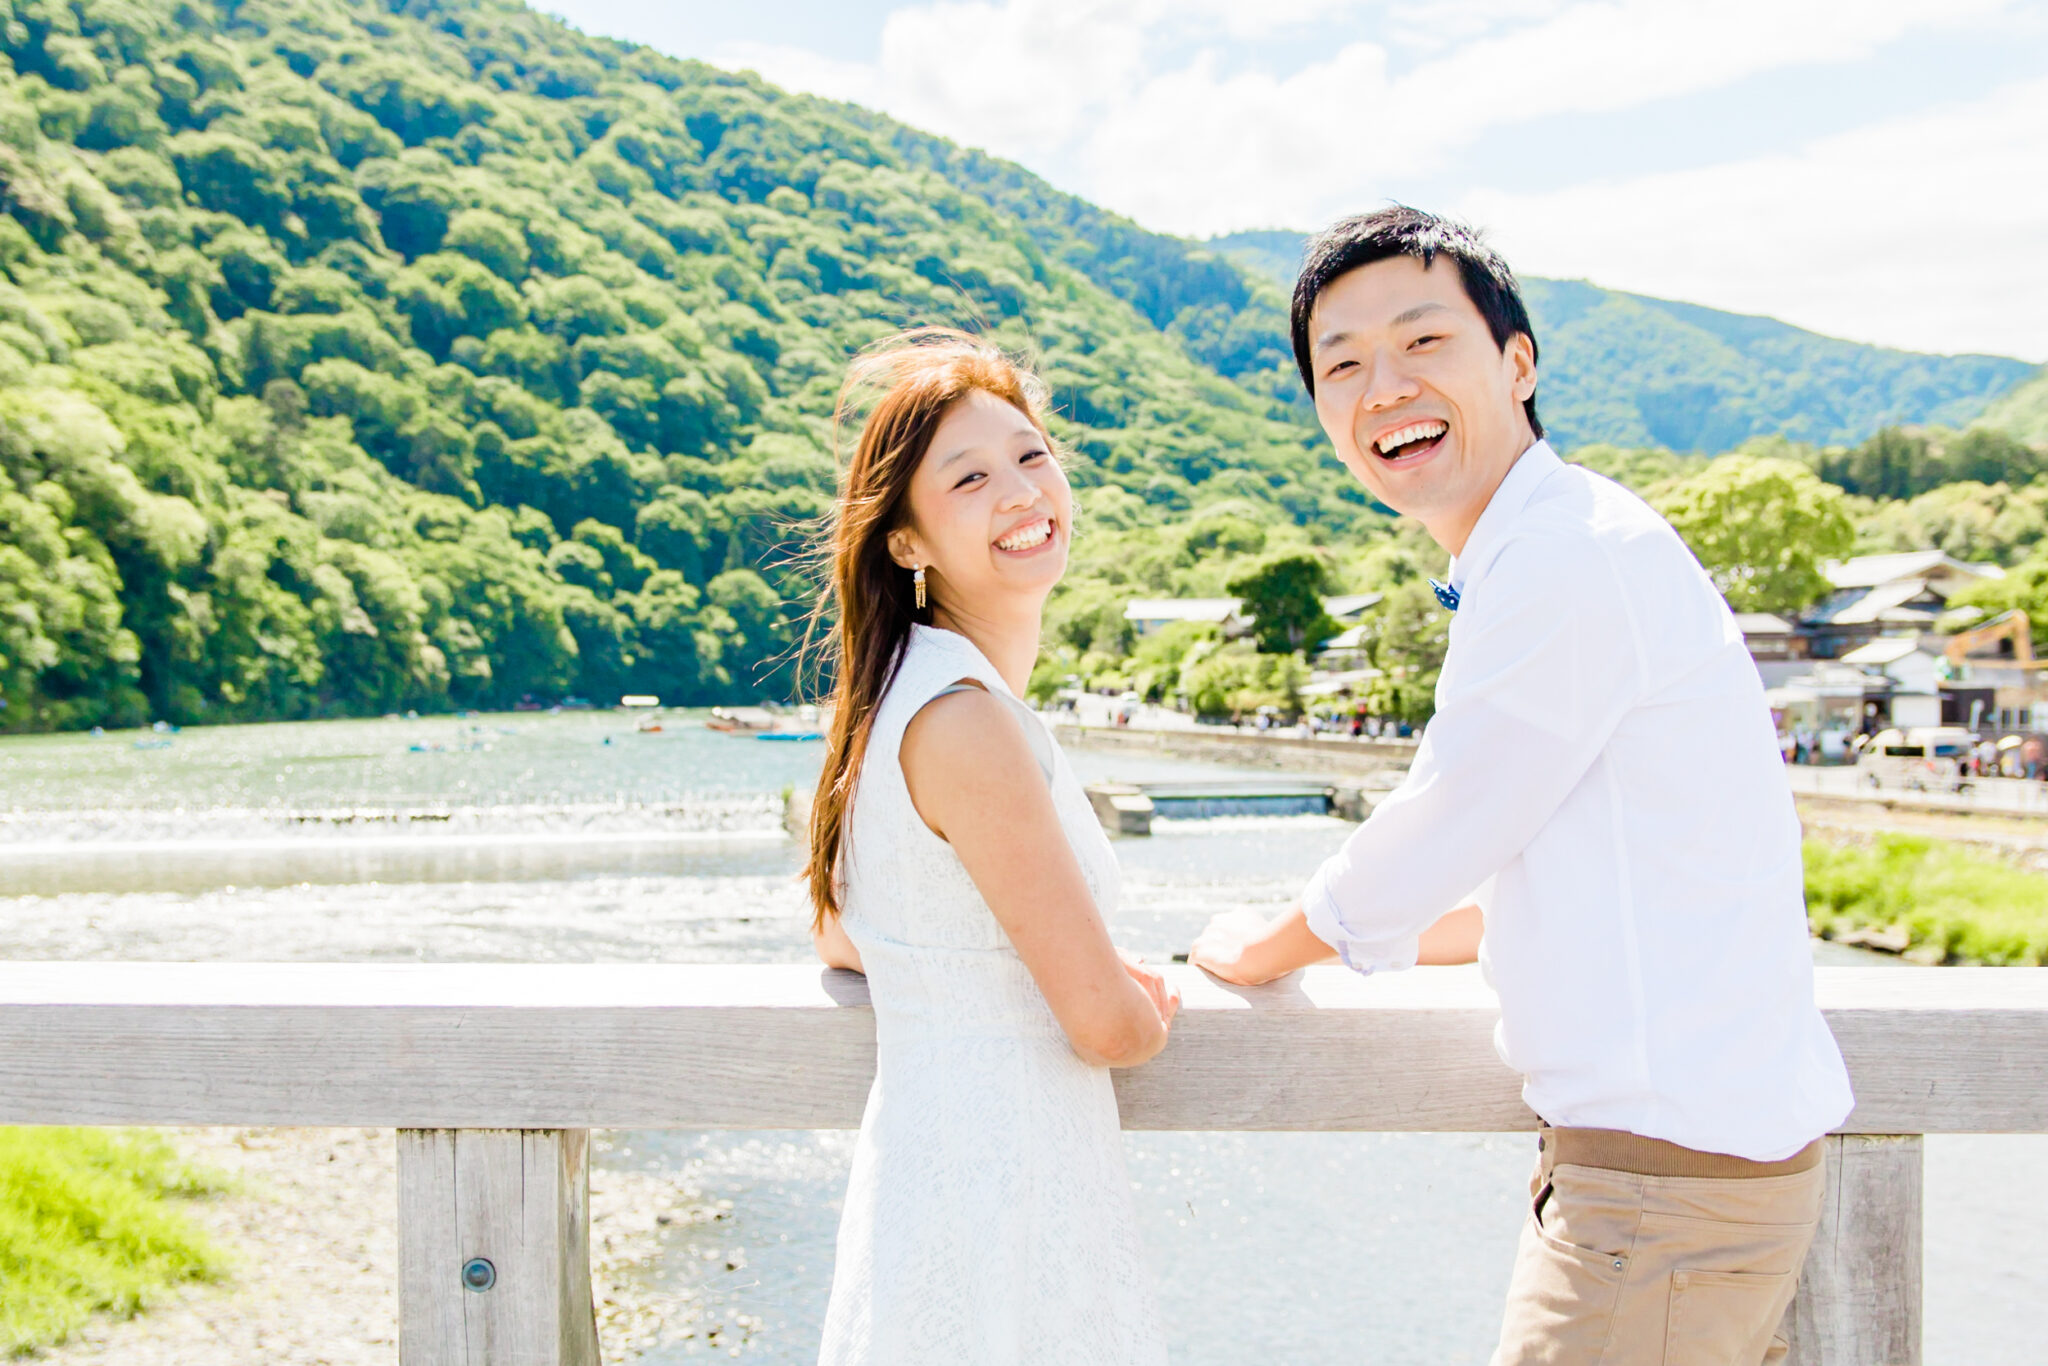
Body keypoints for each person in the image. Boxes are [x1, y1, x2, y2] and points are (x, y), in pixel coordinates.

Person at [1189, 208, 1853, 1365]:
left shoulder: (1560, 556)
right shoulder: (1562, 540)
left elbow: (1442, 825)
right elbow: (1566, 870)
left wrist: (1267, 948)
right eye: (1340, 365)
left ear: (1517, 361)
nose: (1380, 385)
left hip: (1656, 1206)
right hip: (1689, 1190)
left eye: (1421, 342)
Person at [804, 329, 1174, 1366]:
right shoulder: (964, 716)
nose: (1020, 489)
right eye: (969, 477)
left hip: (943, 1173)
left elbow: (844, 931)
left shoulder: (907, 691)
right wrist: (1137, 1004)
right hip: (1003, 1187)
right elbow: (1106, 1026)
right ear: (907, 542)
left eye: (1030, 456)